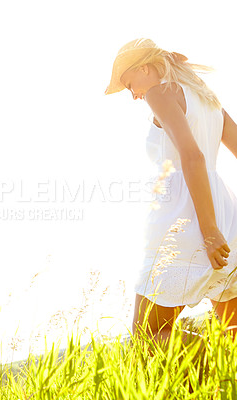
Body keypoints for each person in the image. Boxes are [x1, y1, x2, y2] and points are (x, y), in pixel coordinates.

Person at [104, 38, 237, 349]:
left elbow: (192, 157)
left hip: (185, 221)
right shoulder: (206, 97)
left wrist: (208, 231)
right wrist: (219, 227)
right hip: (226, 216)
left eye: (129, 84)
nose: (134, 95)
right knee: (231, 335)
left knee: (146, 337)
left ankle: (205, 369)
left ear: (145, 68)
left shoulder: (159, 92)